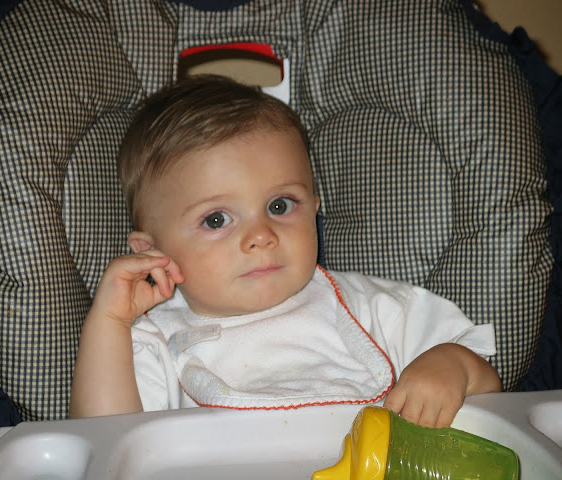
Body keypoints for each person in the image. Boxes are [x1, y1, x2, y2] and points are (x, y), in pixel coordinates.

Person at [69, 74, 502, 427]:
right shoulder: (155, 342)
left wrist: (454, 365)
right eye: (216, 219)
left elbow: (489, 394)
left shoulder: (375, 310)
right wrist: (109, 321)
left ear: (314, 207)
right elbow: (104, 444)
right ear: (152, 252)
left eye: (280, 206)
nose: (261, 235)